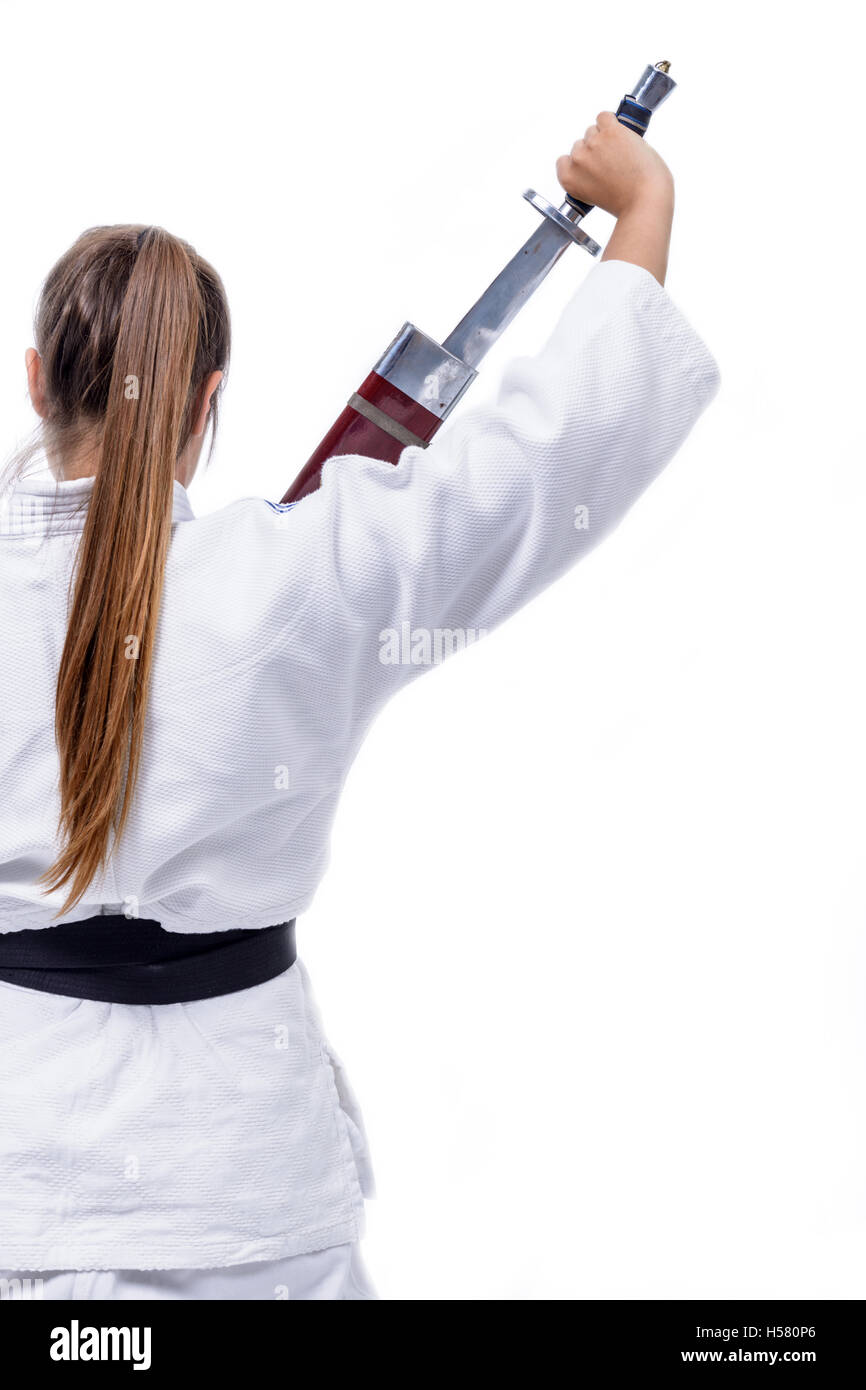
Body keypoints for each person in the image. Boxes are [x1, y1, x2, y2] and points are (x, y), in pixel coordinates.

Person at [0, 112, 719, 1300]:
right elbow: (539, 470)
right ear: (207, 398)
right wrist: (638, 211)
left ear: (36, 382)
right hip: (247, 1212)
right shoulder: (302, 579)